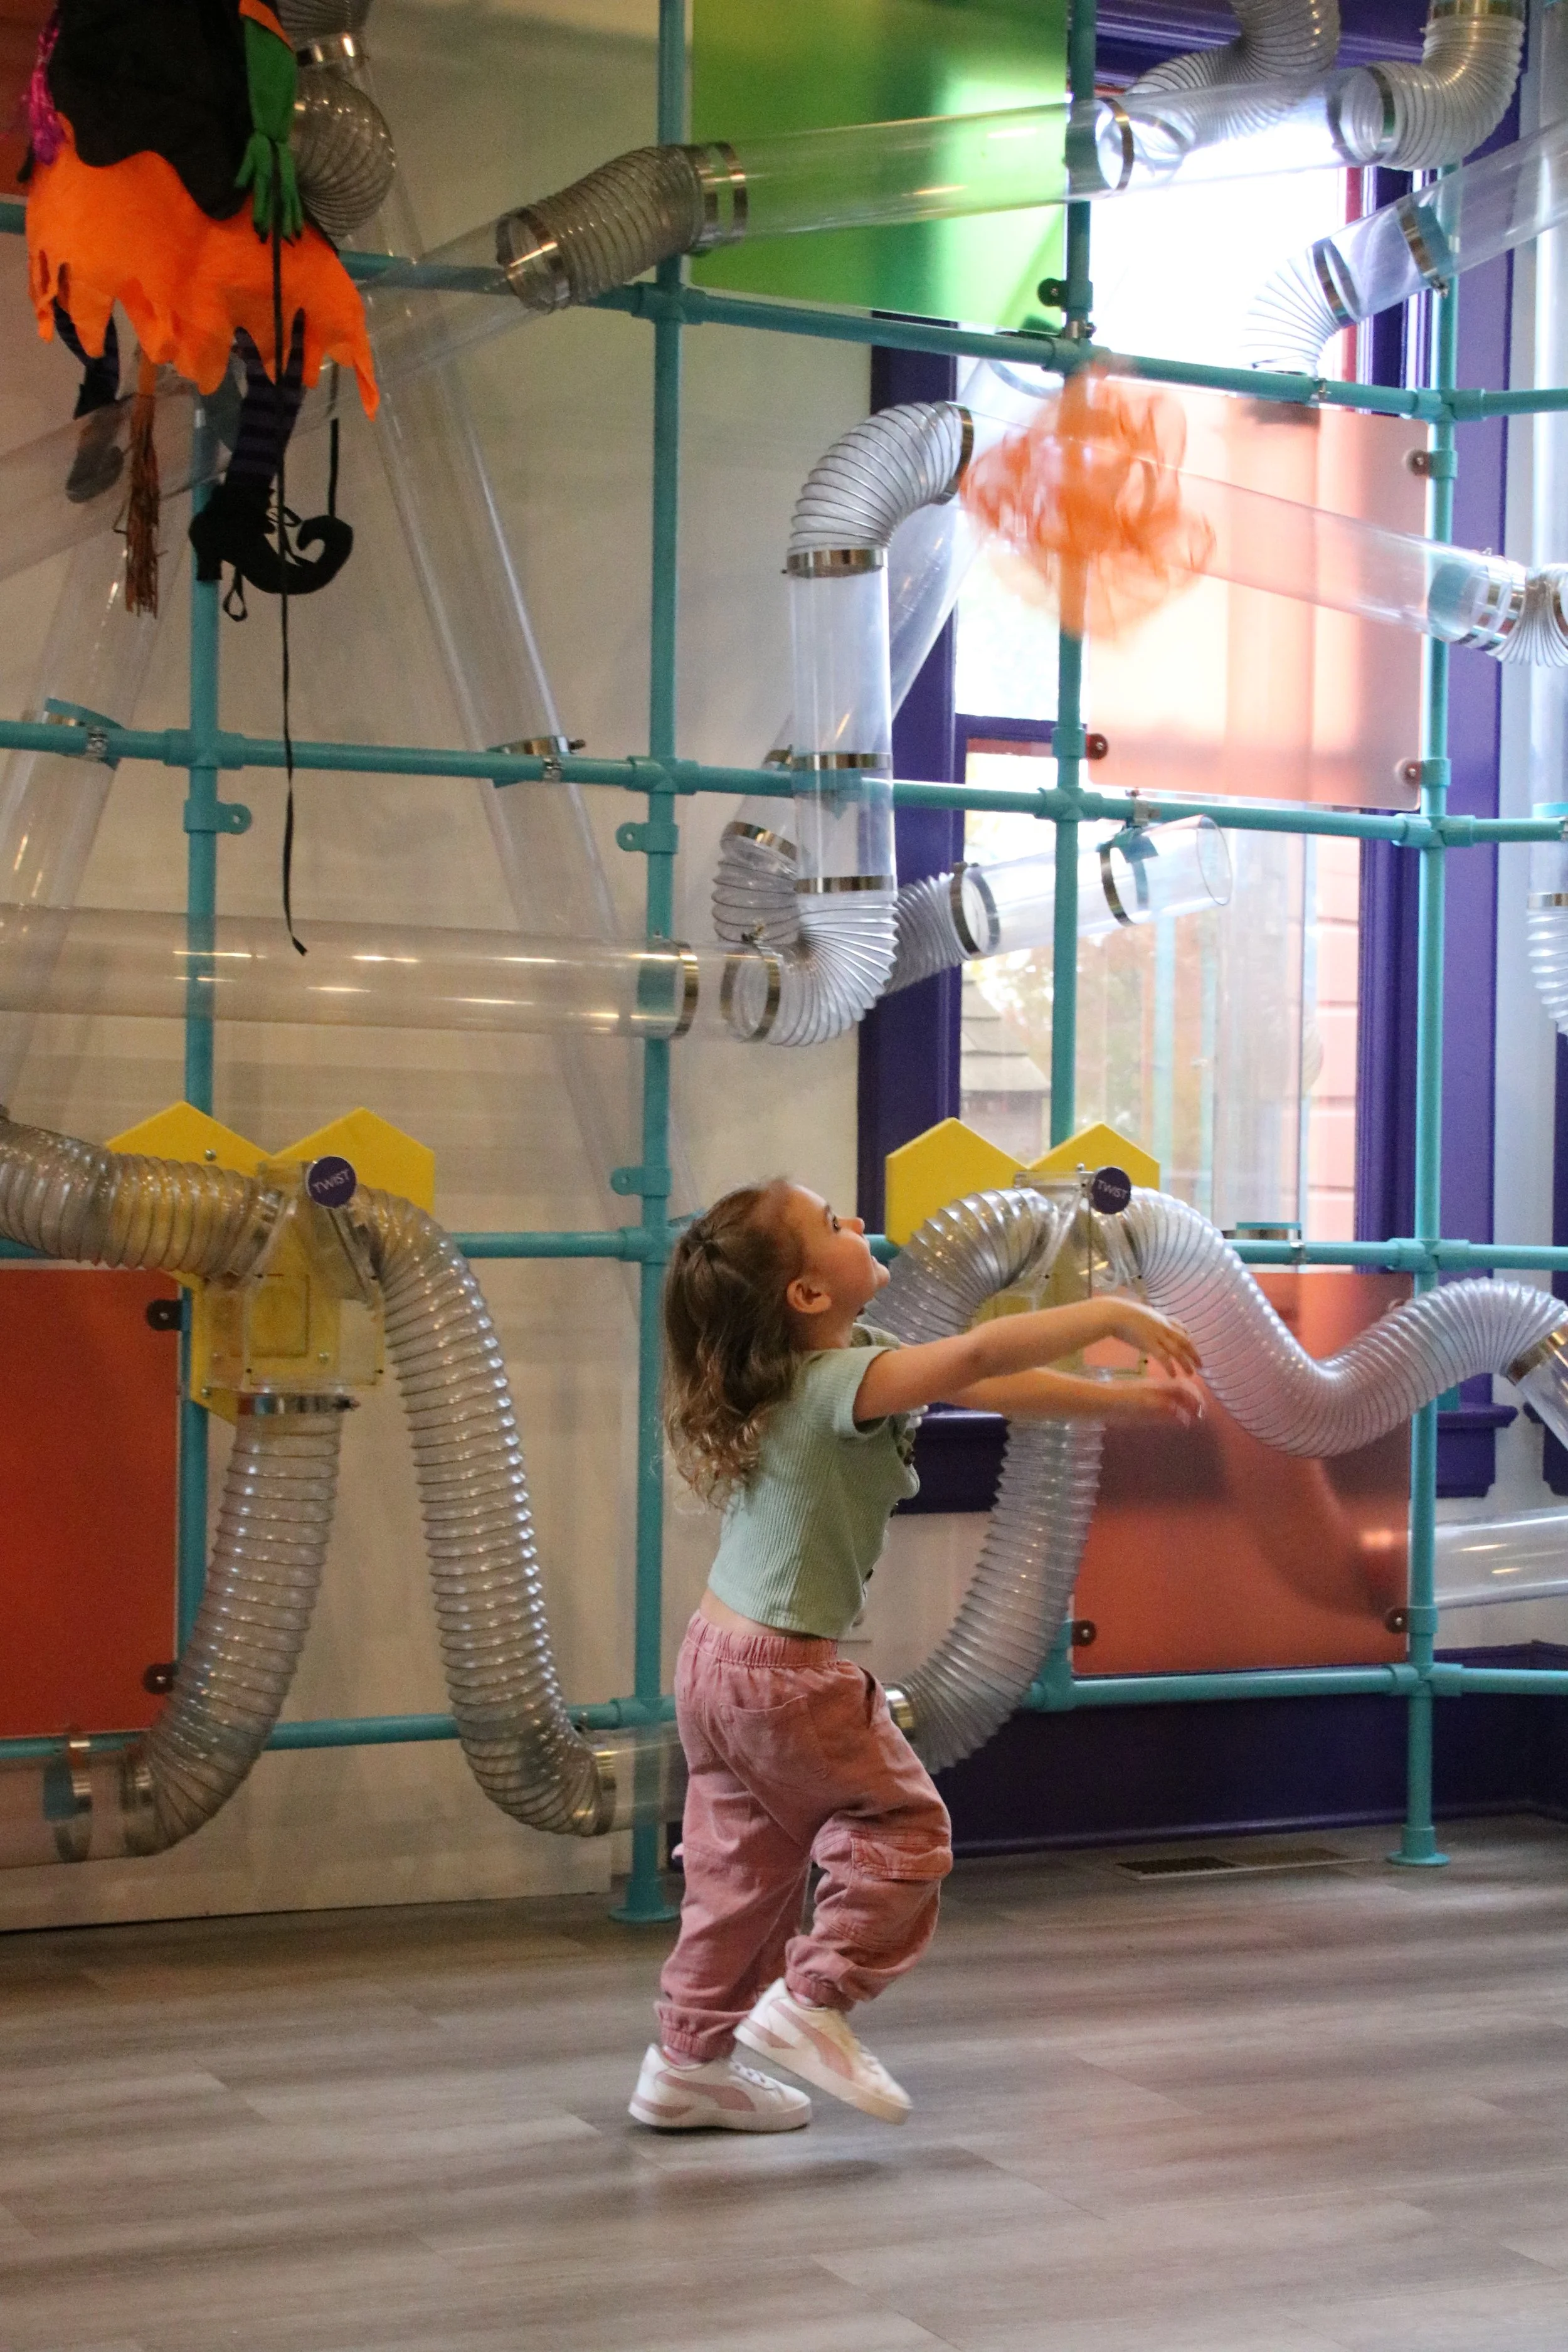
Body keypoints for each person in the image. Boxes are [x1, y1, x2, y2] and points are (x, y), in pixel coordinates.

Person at [629, 1178, 1204, 2134]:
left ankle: (685, 2063)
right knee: (903, 1831)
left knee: (741, 1878)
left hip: (716, 1658)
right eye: (830, 1223)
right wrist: (1107, 1310)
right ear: (807, 1294)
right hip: (782, 1676)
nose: (856, 1222)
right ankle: (811, 2002)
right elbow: (978, 1348)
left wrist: (1131, 1404)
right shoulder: (833, 1386)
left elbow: (981, 1382)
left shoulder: (838, 1363)